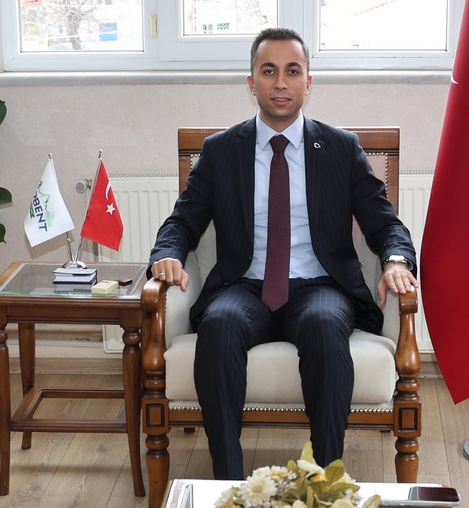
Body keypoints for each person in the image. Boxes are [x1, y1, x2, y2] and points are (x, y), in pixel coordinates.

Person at [147, 28, 419, 478]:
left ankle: (325, 479)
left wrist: (395, 261)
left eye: (292, 72)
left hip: (319, 286)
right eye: (268, 71)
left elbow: (385, 224)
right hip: (244, 285)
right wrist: (168, 254)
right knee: (219, 325)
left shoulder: (340, 148)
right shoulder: (221, 151)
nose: (280, 83)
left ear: (308, 82)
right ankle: (227, 482)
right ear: (250, 82)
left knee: (324, 328)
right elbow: (183, 222)